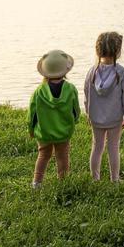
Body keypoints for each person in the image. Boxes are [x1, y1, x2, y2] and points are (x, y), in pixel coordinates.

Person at [82, 32, 124, 183]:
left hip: (96, 117)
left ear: (98, 50)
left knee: (97, 146)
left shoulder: (92, 72)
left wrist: (88, 112)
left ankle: (95, 178)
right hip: (114, 117)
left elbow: (87, 94)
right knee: (113, 147)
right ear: (117, 51)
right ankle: (115, 179)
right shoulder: (121, 73)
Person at [29, 49, 80, 186]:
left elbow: (32, 113)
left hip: (44, 133)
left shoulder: (39, 91)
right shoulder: (70, 89)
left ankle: (37, 183)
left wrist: (31, 130)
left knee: (43, 156)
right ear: (65, 71)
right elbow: (76, 110)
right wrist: (75, 120)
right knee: (62, 158)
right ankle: (63, 183)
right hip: (63, 132)